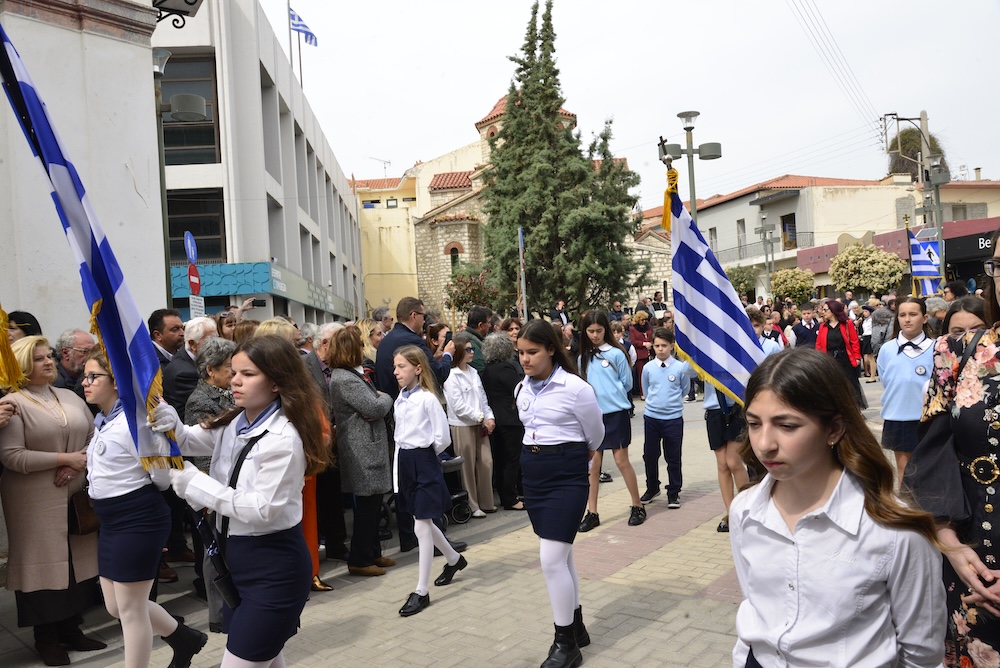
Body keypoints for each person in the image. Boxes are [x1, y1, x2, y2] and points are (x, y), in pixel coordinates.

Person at [731, 348, 945, 668]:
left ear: (834, 429)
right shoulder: (745, 510)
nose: (764, 444)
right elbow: (755, 605)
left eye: (786, 425)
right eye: (753, 423)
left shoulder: (894, 530)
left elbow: (921, 652)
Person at [153, 335, 333, 667]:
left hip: (272, 566)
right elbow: (191, 439)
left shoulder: (283, 438)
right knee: (268, 659)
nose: (235, 380)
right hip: (237, 560)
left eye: (248, 374)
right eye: (234, 372)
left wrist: (196, 484)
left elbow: (262, 509)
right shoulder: (238, 419)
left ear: (276, 382)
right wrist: (170, 422)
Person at [904, 242, 1000, 666]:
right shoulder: (957, 352)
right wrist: (949, 543)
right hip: (972, 560)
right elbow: (932, 455)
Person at [83, 349, 207, 668]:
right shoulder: (105, 420)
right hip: (111, 523)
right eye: (84, 376)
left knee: (131, 610)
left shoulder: (136, 422)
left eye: (93, 376)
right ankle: (184, 638)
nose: (85, 382)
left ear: (116, 381)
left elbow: (162, 478)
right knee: (116, 606)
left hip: (137, 519)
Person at [0, 336, 104, 666]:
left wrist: (78, 464)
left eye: (49, 356)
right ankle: (46, 638)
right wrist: (64, 459)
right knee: (41, 568)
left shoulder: (68, 395)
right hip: (33, 500)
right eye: (38, 358)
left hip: (73, 492)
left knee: (76, 562)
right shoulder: (12, 403)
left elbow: (94, 436)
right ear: (20, 365)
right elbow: (12, 456)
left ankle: (72, 629)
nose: (48, 362)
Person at [515, 319, 604, 668]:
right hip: (534, 474)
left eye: (532, 352)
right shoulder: (521, 388)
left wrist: (576, 455)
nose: (525, 359)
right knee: (562, 556)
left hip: (567, 475)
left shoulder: (575, 388)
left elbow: (595, 433)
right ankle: (576, 627)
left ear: (551, 349)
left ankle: (566, 645)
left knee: (551, 559)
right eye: (521, 352)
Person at [391, 345, 468, 617]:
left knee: (421, 526)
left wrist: (425, 455)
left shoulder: (427, 399)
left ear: (418, 368)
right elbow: (399, 439)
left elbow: (442, 437)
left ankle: (421, 591)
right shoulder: (400, 399)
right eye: (395, 366)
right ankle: (454, 559)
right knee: (421, 521)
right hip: (405, 462)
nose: (396, 371)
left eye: (401, 366)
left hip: (424, 460)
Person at [327, 327, 395, 577]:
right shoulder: (344, 379)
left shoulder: (353, 374)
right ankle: (360, 559)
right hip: (362, 449)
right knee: (366, 508)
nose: (362, 348)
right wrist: (386, 397)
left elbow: (374, 405)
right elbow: (375, 407)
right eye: (358, 344)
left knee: (373, 505)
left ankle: (373, 552)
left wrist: (379, 401)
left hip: (368, 446)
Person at [184, 336, 237, 628]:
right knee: (214, 552)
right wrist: (210, 493)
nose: (234, 373)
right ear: (210, 370)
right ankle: (219, 615)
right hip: (216, 486)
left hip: (233, 482)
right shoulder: (200, 401)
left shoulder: (229, 392)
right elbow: (203, 455)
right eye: (229, 367)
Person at [577, 311, 645, 531]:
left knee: (621, 461)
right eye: (591, 331)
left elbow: (627, 384)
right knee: (593, 465)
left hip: (616, 414)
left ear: (605, 330)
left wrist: (611, 395)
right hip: (593, 416)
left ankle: (637, 505)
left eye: (599, 330)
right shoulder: (582, 357)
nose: (595, 335)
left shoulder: (616, 353)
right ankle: (592, 512)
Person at [875, 297, 934, 484]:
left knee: (930, 466)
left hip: (929, 417)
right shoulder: (887, 349)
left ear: (924, 318)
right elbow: (886, 380)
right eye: (902, 315)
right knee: (905, 468)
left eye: (913, 314)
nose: (907, 319)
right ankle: (907, 501)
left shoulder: (935, 347)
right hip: (898, 416)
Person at [639, 327, 695, 508]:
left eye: (664, 345)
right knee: (650, 455)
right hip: (652, 418)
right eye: (657, 346)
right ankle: (652, 487)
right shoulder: (648, 368)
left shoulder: (680, 368)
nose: (660, 349)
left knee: (673, 456)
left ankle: (673, 492)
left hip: (673, 418)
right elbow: (646, 389)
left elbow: (685, 389)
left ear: (672, 346)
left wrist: (672, 402)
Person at [444, 334, 496, 517]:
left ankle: (486, 501)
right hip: (463, 425)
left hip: (479, 423)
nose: (472, 352)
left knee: (486, 461)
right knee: (467, 467)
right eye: (467, 349)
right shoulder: (451, 375)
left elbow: (483, 398)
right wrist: (481, 417)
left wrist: (489, 417)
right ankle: (473, 505)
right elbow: (458, 405)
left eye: (472, 348)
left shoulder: (473, 372)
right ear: (458, 352)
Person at [375, 297, 455, 395]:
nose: (424, 321)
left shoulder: (387, 339)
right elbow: (438, 374)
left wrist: (434, 358)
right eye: (423, 316)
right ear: (414, 316)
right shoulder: (412, 340)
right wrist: (448, 354)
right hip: (404, 399)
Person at [481, 332, 525, 511]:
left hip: (496, 418)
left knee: (501, 460)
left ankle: (507, 495)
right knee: (511, 460)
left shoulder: (487, 370)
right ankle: (511, 498)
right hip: (510, 419)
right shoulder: (506, 368)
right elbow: (519, 389)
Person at [815, 299, 866, 409]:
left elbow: (854, 341)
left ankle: (854, 409)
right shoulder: (823, 326)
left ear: (833, 310)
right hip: (829, 359)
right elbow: (819, 345)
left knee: (849, 384)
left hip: (845, 358)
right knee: (832, 385)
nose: (823, 312)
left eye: (825, 310)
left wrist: (857, 357)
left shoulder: (847, 324)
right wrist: (819, 360)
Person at [628, 310, 653, 400]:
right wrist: (643, 344)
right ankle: (643, 392)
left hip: (650, 353)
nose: (644, 321)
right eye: (642, 320)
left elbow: (652, 336)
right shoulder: (633, 329)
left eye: (645, 319)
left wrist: (650, 343)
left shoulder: (649, 327)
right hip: (640, 354)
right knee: (641, 375)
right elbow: (633, 341)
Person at [463, 306, 491, 372]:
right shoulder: (470, 342)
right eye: (489, 322)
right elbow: (481, 371)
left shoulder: (471, 338)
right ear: (480, 325)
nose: (490, 326)